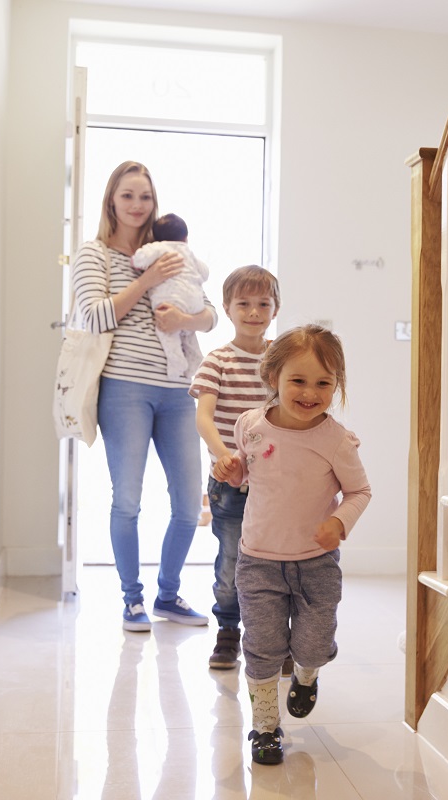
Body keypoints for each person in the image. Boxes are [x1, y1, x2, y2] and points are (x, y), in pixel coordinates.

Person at [212, 325, 372, 766]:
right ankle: (265, 728)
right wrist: (232, 470)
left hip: (315, 564)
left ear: (336, 385)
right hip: (258, 561)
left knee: (313, 645)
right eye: (298, 380)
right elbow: (249, 476)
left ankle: (306, 674)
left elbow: (360, 492)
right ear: (273, 377)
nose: (310, 392)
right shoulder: (251, 425)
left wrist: (339, 522)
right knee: (262, 648)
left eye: (324, 382)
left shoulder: (336, 441)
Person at [72, 161, 218, 632]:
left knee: (187, 504)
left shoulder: (172, 250)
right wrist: (146, 281)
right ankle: (131, 600)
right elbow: (94, 317)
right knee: (128, 501)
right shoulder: (94, 255)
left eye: (146, 197)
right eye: (128, 195)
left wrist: (186, 321)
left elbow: (208, 308)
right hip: (125, 390)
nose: (137, 205)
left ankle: (169, 596)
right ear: (111, 200)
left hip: (178, 390)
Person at [189, 265, 285, 672]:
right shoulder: (218, 361)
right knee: (232, 561)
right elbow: (204, 417)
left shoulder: (282, 358)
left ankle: (278, 640)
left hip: (278, 484)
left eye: (263, 303)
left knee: (281, 563)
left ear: (275, 308)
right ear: (227, 308)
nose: (253, 312)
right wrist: (224, 453)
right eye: (243, 303)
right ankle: (228, 630)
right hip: (230, 486)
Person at [132, 213, 210, 380]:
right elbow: (204, 272)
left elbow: (141, 258)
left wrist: (136, 262)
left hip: (170, 300)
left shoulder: (159, 247)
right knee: (188, 333)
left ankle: (176, 362)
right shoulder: (188, 251)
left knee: (167, 331)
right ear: (186, 237)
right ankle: (195, 358)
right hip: (194, 302)